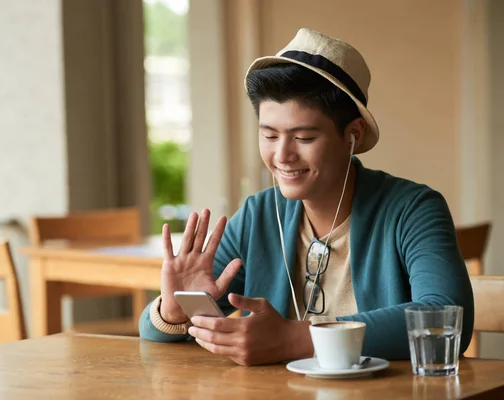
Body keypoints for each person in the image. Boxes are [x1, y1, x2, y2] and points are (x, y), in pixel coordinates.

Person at [138, 28, 474, 366]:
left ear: (352, 135)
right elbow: (156, 334)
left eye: (303, 137)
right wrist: (175, 308)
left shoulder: (412, 209)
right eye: (269, 135)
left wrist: (296, 339)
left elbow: (444, 316)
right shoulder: (258, 215)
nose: (282, 155)